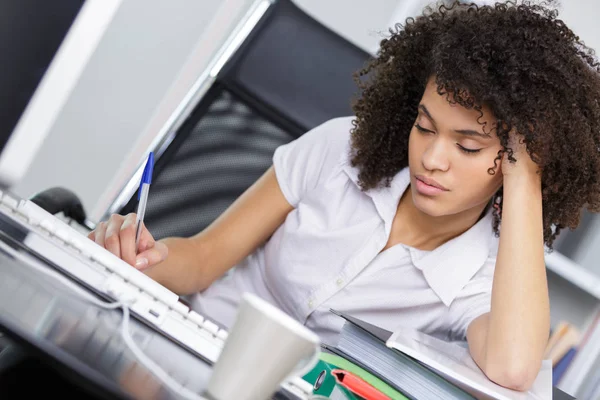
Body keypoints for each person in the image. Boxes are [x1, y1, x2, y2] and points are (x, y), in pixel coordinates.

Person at [88, 0, 600, 391]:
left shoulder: (480, 278)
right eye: (424, 127)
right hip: (176, 350)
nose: (433, 158)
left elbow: (512, 368)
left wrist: (527, 177)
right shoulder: (342, 148)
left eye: (468, 146)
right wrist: (144, 257)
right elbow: (203, 258)